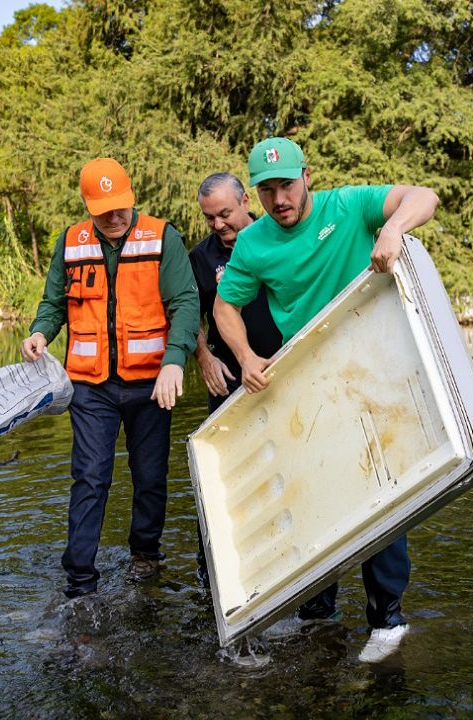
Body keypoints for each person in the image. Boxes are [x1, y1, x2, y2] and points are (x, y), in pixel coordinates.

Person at [213, 136, 439, 662]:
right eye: (267, 191)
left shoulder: (349, 205)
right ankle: (318, 613)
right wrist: (245, 357)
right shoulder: (253, 244)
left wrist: (392, 228)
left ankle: (388, 620)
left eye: (287, 185)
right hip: (307, 378)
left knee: (380, 486)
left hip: (372, 363)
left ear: (307, 177)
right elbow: (225, 308)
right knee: (313, 490)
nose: (279, 199)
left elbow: (424, 196)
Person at [21, 157, 200, 598]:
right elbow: (54, 304)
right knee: (90, 476)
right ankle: (80, 579)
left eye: (121, 206)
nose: (115, 217)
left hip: (152, 382)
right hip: (90, 385)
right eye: (104, 211)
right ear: (87, 206)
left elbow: (185, 302)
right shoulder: (71, 242)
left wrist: (175, 359)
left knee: (150, 476)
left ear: (131, 197)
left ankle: (146, 555)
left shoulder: (163, 237)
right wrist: (40, 333)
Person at [187, 172, 283, 586]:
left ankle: (283, 562)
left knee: (282, 463)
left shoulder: (278, 236)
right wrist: (204, 357)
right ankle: (213, 573)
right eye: (209, 218)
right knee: (226, 475)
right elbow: (189, 314)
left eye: (225, 213)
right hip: (228, 379)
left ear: (246, 201)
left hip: (283, 369)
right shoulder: (201, 258)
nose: (218, 224)